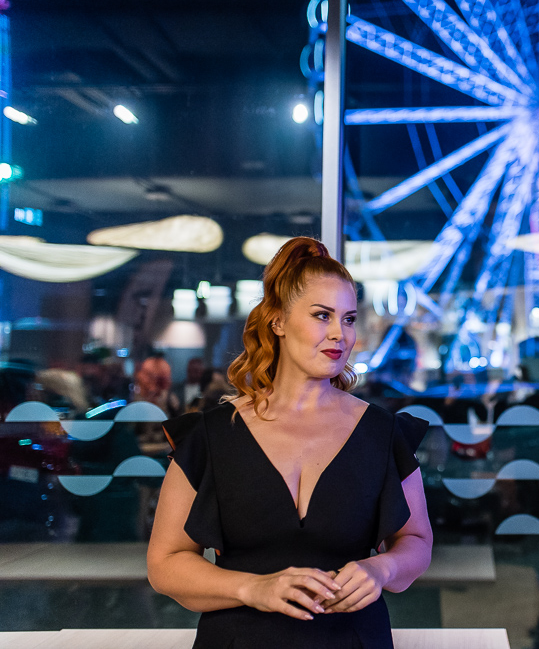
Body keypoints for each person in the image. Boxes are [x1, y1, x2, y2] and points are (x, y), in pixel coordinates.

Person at [147, 237, 433, 648]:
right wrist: (252, 588)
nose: (339, 334)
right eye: (322, 315)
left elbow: (416, 543)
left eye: (349, 319)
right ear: (278, 321)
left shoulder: (383, 433)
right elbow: (165, 564)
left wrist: (381, 569)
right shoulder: (211, 436)